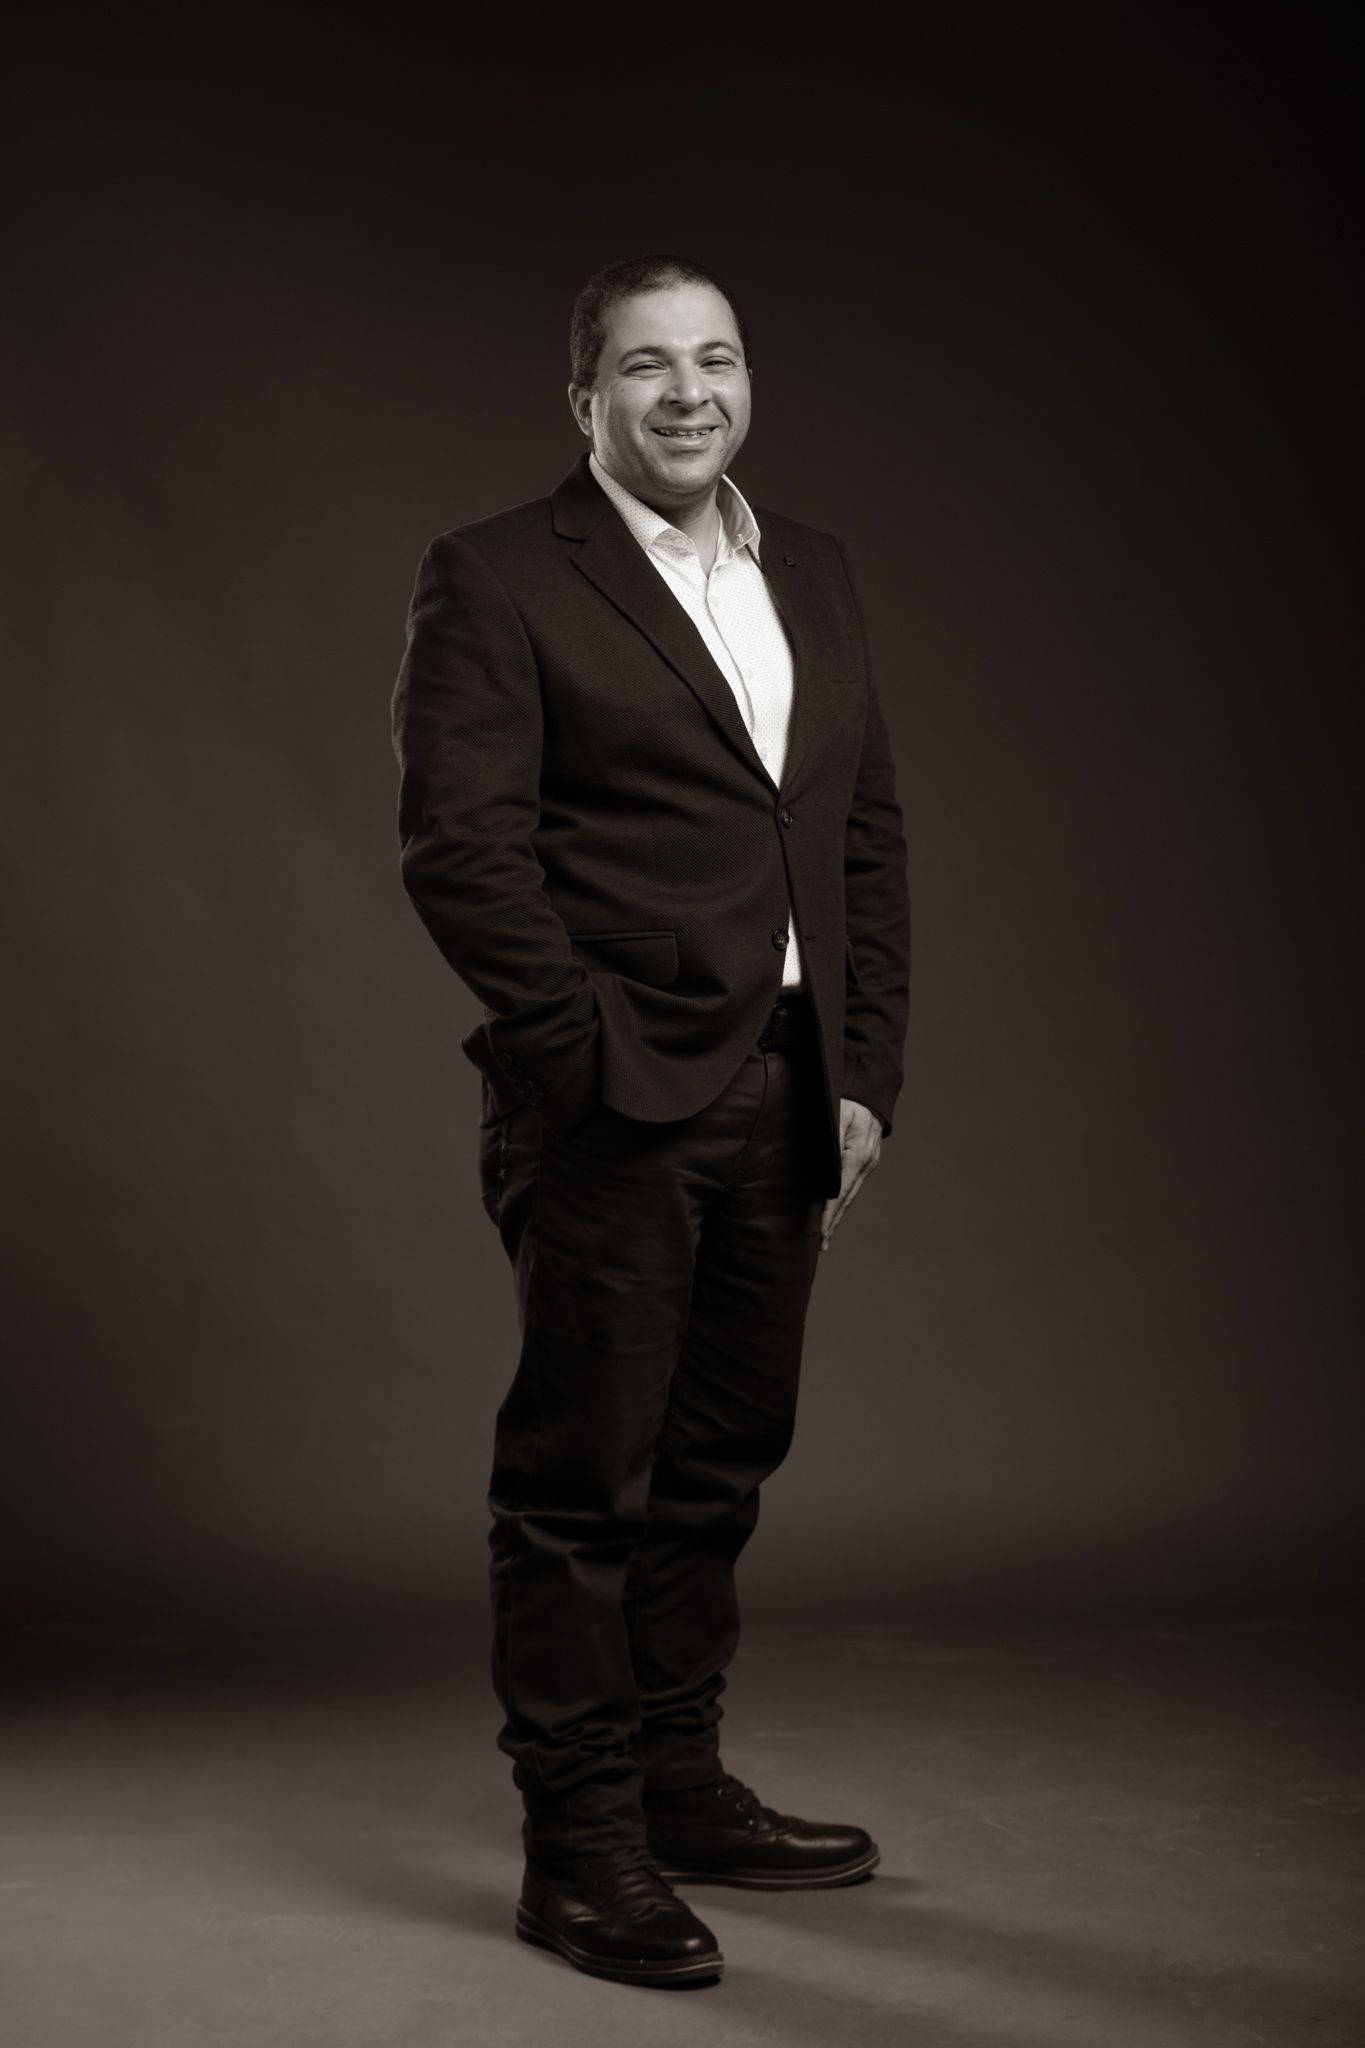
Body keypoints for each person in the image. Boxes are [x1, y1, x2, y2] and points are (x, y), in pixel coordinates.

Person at [392, 254, 910, 1988]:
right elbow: (458, 851)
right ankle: (580, 1852)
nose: (687, 392)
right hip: (614, 1101)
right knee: (581, 1487)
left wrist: (860, 1071)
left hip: (788, 1092)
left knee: (718, 1465)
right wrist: (583, 1054)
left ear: (746, 381)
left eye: (715, 358)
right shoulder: (495, 573)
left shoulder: (810, 568)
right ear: (584, 400)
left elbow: (859, 835)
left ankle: (681, 1790)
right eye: (643, 364)